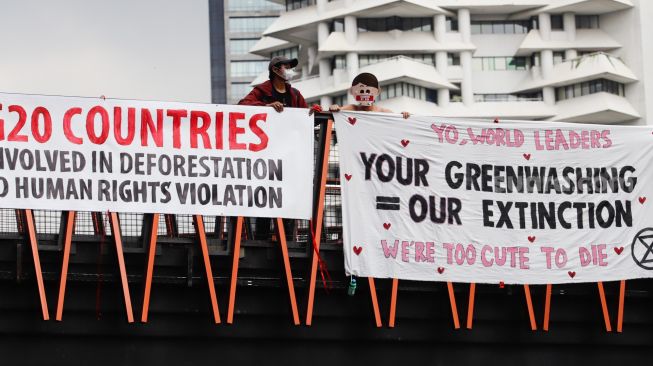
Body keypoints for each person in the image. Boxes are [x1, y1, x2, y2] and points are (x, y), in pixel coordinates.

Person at [238, 56, 320, 240]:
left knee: (288, 197)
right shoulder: (262, 91)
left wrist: (313, 112)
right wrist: (266, 106)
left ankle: (288, 240)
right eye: (287, 66)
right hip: (266, 156)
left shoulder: (295, 95)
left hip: (290, 157)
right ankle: (261, 239)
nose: (290, 70)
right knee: (265, 196)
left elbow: (305, 115)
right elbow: (243, 106)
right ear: (275, 70)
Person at [328, 72, 410, 119]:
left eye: (368, 91)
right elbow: (337, 109)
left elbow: (397, 120)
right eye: (361, 91)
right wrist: (334, 107)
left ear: (376, 92)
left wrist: (403, 115)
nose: (364, 94)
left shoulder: (383, 112)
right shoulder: (353, 108)